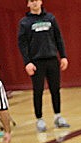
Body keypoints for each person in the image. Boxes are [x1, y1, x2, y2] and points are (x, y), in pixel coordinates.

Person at [17, 0, 69, 133]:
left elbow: (58, 38)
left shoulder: (50, 18)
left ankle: (58, 116)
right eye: (31, 1)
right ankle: (39, 119)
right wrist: (27, 62)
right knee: (38, 90)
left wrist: (63, 56)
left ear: (41, 2)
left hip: (52, 59)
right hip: (36, 62)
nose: (34, 3)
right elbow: (23, 44)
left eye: (36, 0)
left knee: (55, 89)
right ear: (28, 4)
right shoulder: (25, 22)